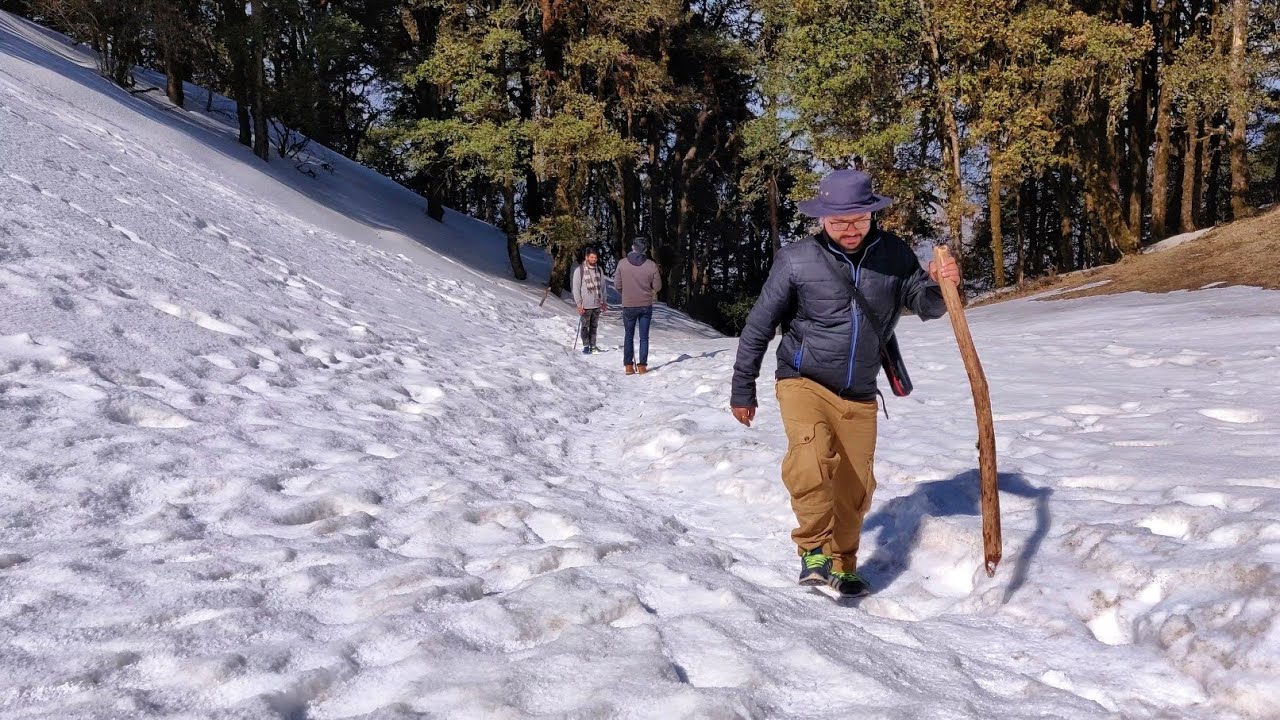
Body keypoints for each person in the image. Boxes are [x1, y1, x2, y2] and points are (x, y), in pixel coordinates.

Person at [729, 168, 961, 597]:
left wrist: (941, 286)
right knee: (812, 460)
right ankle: (813, 548)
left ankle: (843, 562)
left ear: (872, 215)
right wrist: (743, 388)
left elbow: (925, 305)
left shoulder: (893, 255)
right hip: (803, 380)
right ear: (822, 220)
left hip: (859, 390)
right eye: (839, 223)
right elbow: (758, 326)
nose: (849, 231)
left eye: (858, 220)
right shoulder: (797, 260)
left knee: (857, 486)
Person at [613, 238, 661, 375]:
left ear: (633, 247)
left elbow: (617, 285)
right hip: (645, 304)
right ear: (645, 249)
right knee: (644, 337)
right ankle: (642, 366)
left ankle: (628, 366)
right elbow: (657, 286)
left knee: (629, 336)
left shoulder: (622, 264)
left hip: (629, 304)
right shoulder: (651, 265)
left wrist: (625, 294)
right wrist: (650, 291)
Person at [571, 247, 607, 353]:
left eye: (595, 257)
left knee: (594, 326)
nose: (594, 259)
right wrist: (578, 304)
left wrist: (604, 302)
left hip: (597, 304)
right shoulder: (580, 270)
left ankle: (593, 345)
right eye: (592, 257)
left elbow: (603, 287)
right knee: (585, 326)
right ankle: (586, 346)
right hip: (585, 305)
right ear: (586, 257)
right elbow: (576, 289)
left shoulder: (599, 270)